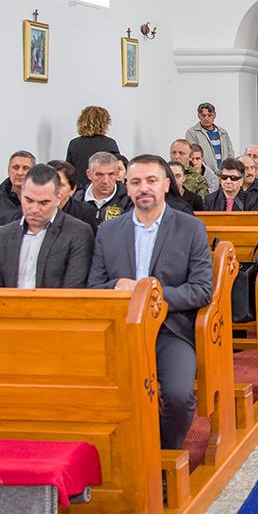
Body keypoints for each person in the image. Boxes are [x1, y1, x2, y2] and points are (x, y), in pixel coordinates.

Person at [89, 154, 213, 450]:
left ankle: (163, 453)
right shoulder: (109, 232)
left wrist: (151, 295)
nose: (143, 188)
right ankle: (127, 452)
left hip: (172, 329)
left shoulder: (190, 228)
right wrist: (117, 286)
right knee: (101, 393)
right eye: (135, 182)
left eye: (151, 181)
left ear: (166, 185)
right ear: (127, 187)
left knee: (179, 396)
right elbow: (93, 287)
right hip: (121, 329)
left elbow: (201, 290)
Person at [0, 164, 93, 288]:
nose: (34, 209)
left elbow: (72, 289)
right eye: (29, 200)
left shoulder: (77, 233)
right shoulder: (4, 235)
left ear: (58, 198)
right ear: (21, 194)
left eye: (43, 202)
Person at [65, 106, 119, 189]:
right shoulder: (109, 143)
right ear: (104, 123)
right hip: (102, 187)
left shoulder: (74, 143)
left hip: (79, 190)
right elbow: (117, 168)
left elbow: (68, 171)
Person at [79, 151, 133, 227]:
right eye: (99, 175)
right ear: (89, 174)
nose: (105, 181)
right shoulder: (76, 200)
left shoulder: (130, 201)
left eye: (111, 174)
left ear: (117, 174)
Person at [184, 102, 234, 174]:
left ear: (214, 115)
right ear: (199, 116)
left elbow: (230, 153)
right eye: (203, 115)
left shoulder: (223, 133)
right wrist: (209, 174)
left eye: (209, 115)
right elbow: (194, 156)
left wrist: (229, 171)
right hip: (204, 175)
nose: (206, 118)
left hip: (224, 175)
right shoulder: (192, 133)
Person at [48, 159, 99, 229]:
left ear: (72, 189)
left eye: (61, 185)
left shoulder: (85, 213)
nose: (54, 189)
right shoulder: (35, 209)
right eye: (49, 184)